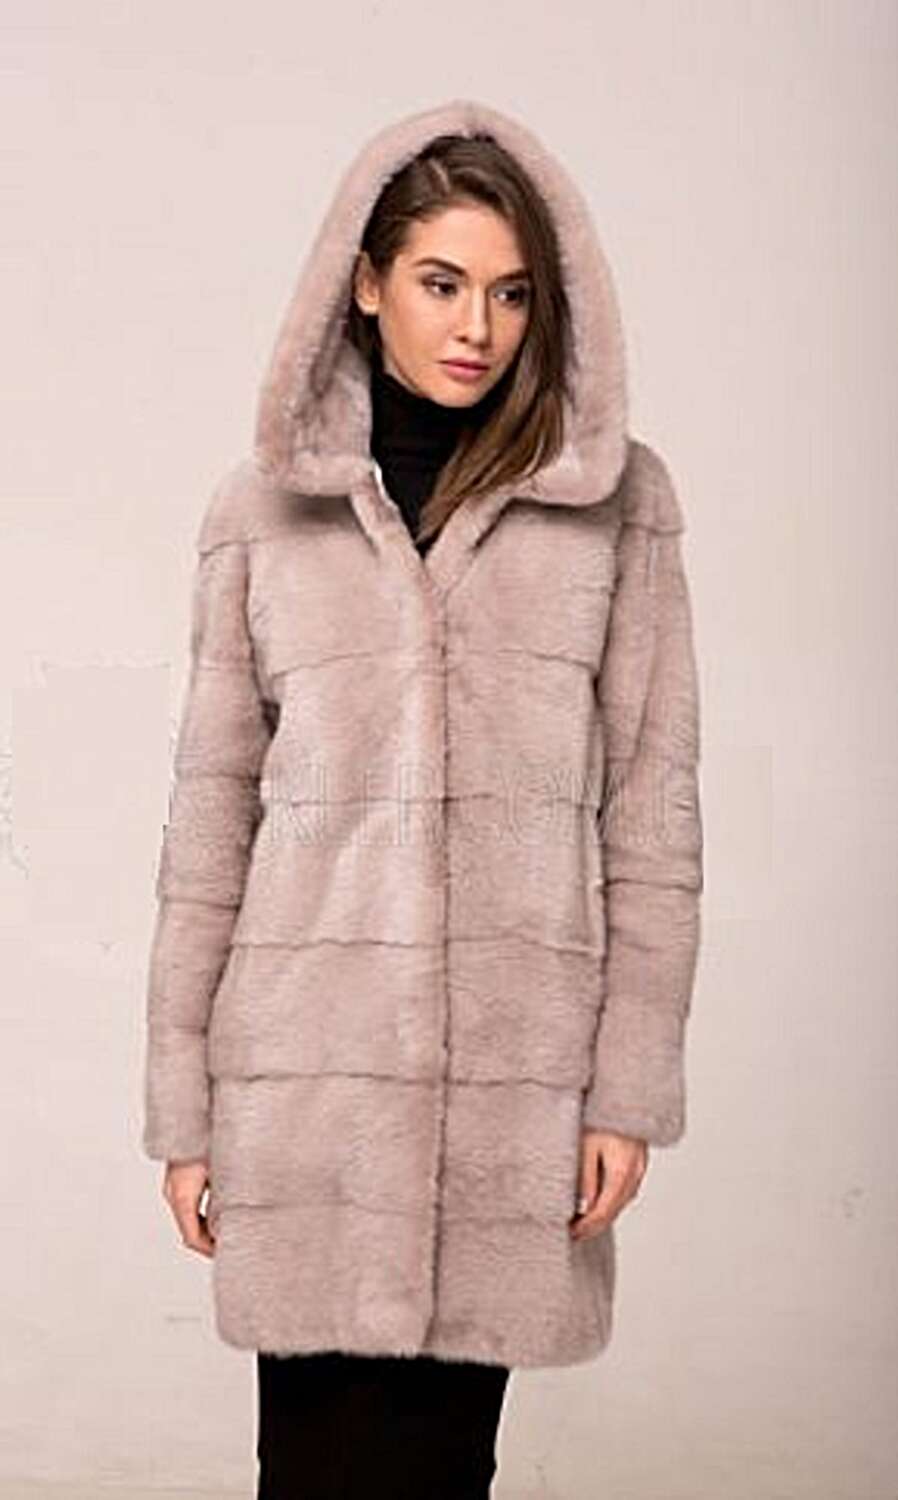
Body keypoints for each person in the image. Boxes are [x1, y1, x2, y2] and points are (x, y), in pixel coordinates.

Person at [142, 98, 704, 1498]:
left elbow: (652, 817)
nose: (477, 327)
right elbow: (209, 826)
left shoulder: (616, 509)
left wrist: (624, 1090)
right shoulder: (262, 514)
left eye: (511, 295)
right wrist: (187, 1112)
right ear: (365, 282)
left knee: (444, 1471)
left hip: (506, 1095)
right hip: (306, 1087)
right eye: (442, 283)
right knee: (307, 1471)